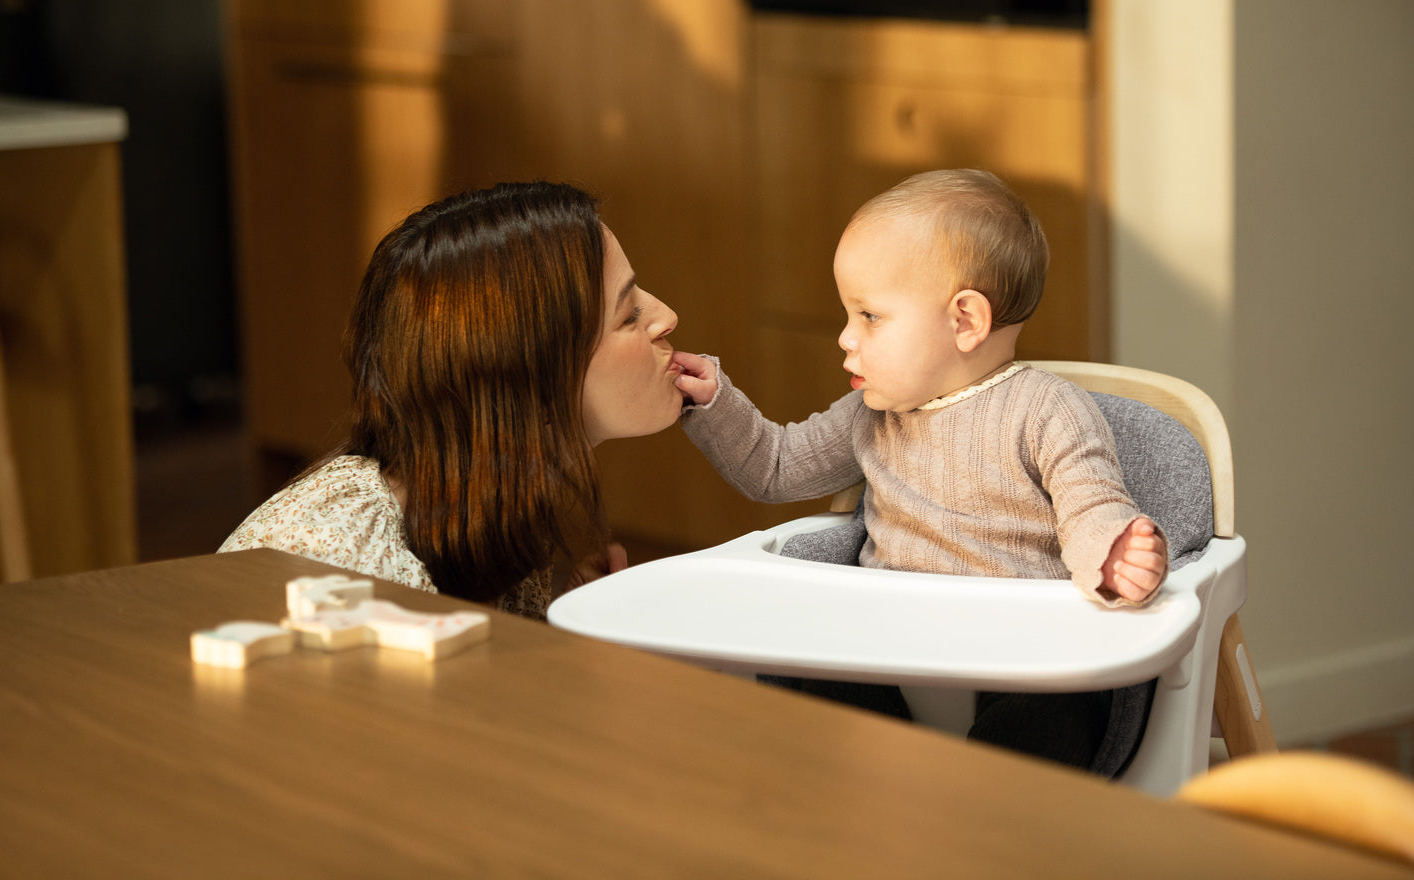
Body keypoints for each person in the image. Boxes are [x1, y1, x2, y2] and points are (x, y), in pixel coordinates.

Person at [672, 169, 1168, 769]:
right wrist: (716, 403)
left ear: (965, 321)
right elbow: (775, 468)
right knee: (814, 667)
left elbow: (1090, 504)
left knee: (1053, 709)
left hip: (1016, 650)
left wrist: (1113, 554)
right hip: (888, 641)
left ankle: (990, 829)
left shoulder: (1047, 408)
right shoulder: (869, 413)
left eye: (870, 316)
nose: (845, 337)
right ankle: (873, 791)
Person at [221, 181, 687, 620]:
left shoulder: (498, 502)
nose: (667, 317)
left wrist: (560, 632)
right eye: (629, 315)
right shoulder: (347, 557)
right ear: (525, 374)